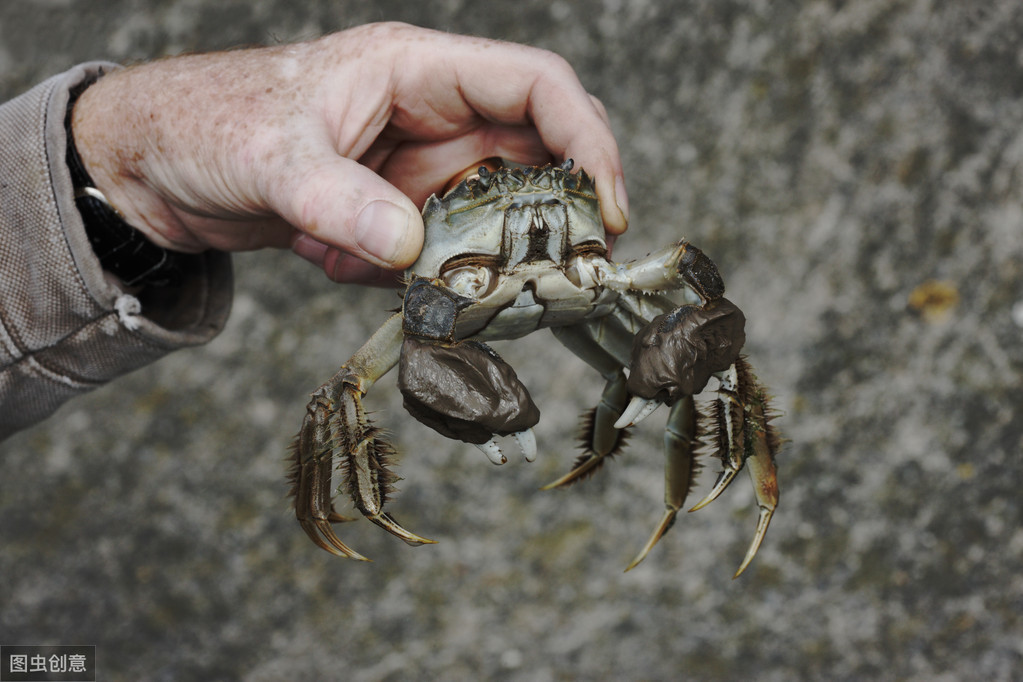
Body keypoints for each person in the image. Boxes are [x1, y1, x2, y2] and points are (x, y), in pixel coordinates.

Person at [0, 22, 628, 439]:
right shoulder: (423, 276)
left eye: (565, 186)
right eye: (481, 198)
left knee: (673, 324)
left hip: (571, 290)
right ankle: (356, 511)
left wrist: (115, 181)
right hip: (447, 299)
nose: (524, 220)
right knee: (341, 398)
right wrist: (116, 164)